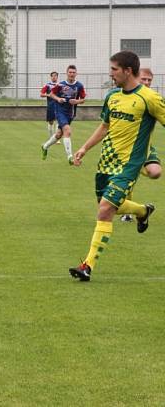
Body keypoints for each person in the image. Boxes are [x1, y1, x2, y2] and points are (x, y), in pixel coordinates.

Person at [68, 51, 165, 281]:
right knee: (113, 206)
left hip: (129, 165)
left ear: (127, 71)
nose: (110, 74)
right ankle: (143, 211)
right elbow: (104, 126)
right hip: (106, 162)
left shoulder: (149, 98)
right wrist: (84, 148)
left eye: (113, 69)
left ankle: (87, 266)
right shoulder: (112, 96)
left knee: (104, 209)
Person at [120, 67, 162, 222]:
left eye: (149, 80)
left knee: (155, 172)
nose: (146, 82)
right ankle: (128, 212)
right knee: (127, 183)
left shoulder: (153, 98)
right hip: (124, 147)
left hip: (145, 146)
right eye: (143, 79)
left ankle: (136, 168)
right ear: (136, 78)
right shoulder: (124, 96)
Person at [41, 64, 86, 165]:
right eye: (70, 72)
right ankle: (70, 157)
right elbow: (51, 94)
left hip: (70, 113)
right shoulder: (60, 85)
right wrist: (58, 99)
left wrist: (76, 102)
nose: (72, 74)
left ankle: (45, 146)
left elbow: (83, 99)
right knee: (67, 131)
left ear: (76, 74)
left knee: (59, 134)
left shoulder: (79, 86)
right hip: (60, 111)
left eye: (73, 72)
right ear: (67, 73)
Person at [40, 71, 59, 139]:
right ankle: (51, 138)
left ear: (57, 77)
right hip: (51, 106)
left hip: (59, 106)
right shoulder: (47, 85)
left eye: (55, 76)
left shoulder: (60, 85)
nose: (54, 77)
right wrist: (48, 95)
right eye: (53, 76)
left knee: (58, 121)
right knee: (51, 122)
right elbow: (41, 94)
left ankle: (56, 138)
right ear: (51, 77)